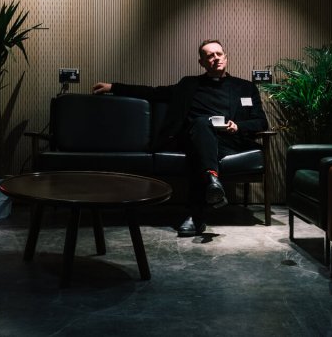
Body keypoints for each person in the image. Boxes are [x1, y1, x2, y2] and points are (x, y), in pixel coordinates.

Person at [92, 39, 269, 236]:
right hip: (194, 137)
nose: (216, 58)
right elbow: (153, 92)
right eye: (209, 56)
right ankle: (208, 189)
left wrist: (238, 126)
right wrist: (113, 87)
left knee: (198, 154)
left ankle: (201, 203)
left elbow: (261, 122)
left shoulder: (245, 88)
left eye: (219, 54)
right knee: (202, 125)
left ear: (226, 57)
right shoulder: (189, 85)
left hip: (229, 141)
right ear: (201, 62)